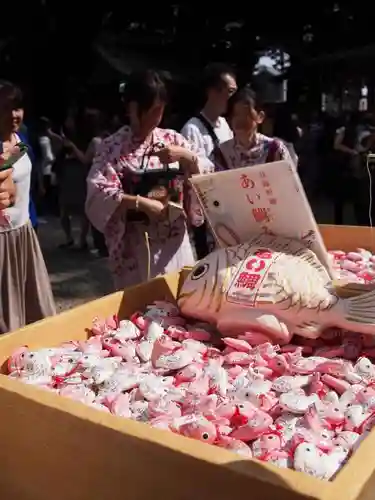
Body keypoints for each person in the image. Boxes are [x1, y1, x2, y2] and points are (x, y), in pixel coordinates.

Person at [86, 70, 210, 289]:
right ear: (133, 108)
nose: (156, 118)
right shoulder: (112, 147)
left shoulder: (173, 140)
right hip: (135, 247)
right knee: (140, 315)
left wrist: (186, 158)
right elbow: (98, 192)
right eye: (152, 111)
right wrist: (138, 202)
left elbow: (206, 182)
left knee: (179, 308)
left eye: (160, 111)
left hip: (174, 243)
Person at [0, 81, 55, 333]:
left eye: (17, 108)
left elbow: (26, 189)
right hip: (1, 239)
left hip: (24, 233)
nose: (14, 115)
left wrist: (32, 223)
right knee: (6, 317)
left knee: (37, 307)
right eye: (6, 108)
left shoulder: (23, 140)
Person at [181, 63, 237, 259]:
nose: (233, 98)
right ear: (212, 91)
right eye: (229, 91)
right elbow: (189, 176)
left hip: (227, 206)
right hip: (205, 212)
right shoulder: (192, 129)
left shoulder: (225, 125)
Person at [212, 86, 293, 171]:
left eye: (246, 114)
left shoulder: (275, 149)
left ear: (260, 117)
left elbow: (288, 180)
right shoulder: (222, 152)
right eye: (236, 114)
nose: (240, 120)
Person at [52, 110, 90, 249]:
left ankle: (82, 239)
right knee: (64, 210)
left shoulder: (84, 139)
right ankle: (68, 237)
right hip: (66, 176)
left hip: (80, 175)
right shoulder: (63, 138)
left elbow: (85, 159)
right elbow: (58, 159)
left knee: (83, 210)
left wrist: (72, 147)